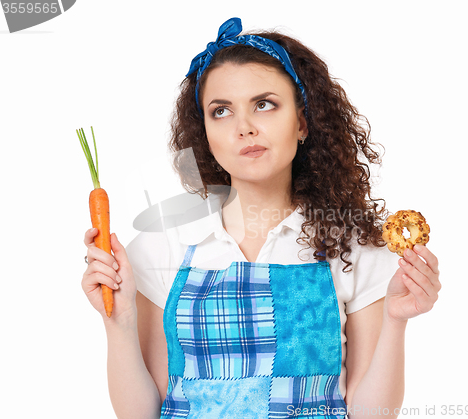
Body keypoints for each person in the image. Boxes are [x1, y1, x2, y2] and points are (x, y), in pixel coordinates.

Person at [82, 17, 441, 419]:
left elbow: (370, 414)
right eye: (221, 111)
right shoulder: (161, 244)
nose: (244, 128)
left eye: (264, 104)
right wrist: (119, 321)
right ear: (205, 133)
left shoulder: (352, 246)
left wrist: (396, 322)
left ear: (302, 121)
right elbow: (141, 414)